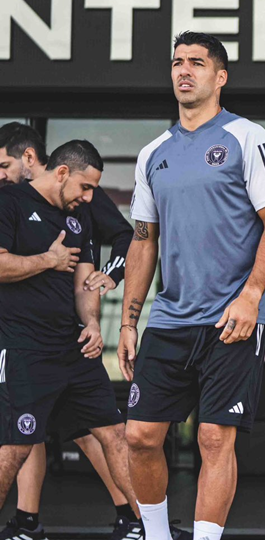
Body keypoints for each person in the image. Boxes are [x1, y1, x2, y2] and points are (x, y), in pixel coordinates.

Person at [118, 31, 265, 540]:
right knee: (140, 436)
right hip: (170, 319)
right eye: (177, 62)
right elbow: (143, 242)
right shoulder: (153, 153)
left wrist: (251, 294)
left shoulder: (246, 137)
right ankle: (156, 534)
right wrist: (129, 322)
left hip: (231, 320)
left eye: (196, 62)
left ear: (220, 77)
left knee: (215, 439)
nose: (184, 70)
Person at [0, 123, 139, 540]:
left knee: (115, 434)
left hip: (73, 348)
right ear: (61, 172)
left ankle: (149, 527)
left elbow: (83, 282)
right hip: (25, 348)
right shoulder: (8, 201)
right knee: (16, 447)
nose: (89, 198)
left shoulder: (77, 220)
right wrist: (46, 259)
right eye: (86, 187)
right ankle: (26, 521)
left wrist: (93, 322)